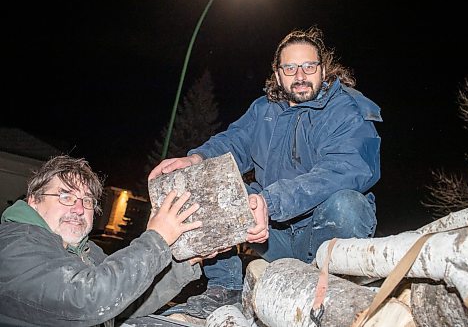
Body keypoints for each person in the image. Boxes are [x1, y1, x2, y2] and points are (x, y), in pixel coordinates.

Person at [149, 26, 382, 319]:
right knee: (211, 191)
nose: (300, 76)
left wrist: (270, 201)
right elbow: (235, 143)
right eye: (290, 68)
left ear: (323, 68)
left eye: (309, 66)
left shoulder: (345, 109)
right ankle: (225, 288)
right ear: (277, 73)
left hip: (328, 234)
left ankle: (336, 290)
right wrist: (196, 158)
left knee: (346, 203)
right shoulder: (264, 110)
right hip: (276, 237)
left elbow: (346, 167)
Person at [0, 155, 209, 326]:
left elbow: (124, 302)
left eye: (88, 200)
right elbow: (85, 299)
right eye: (66, 197)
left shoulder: (88, 252)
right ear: (34, 201)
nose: (79, 209)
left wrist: (185, 263)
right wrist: (157, 239)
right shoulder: (15, 244)